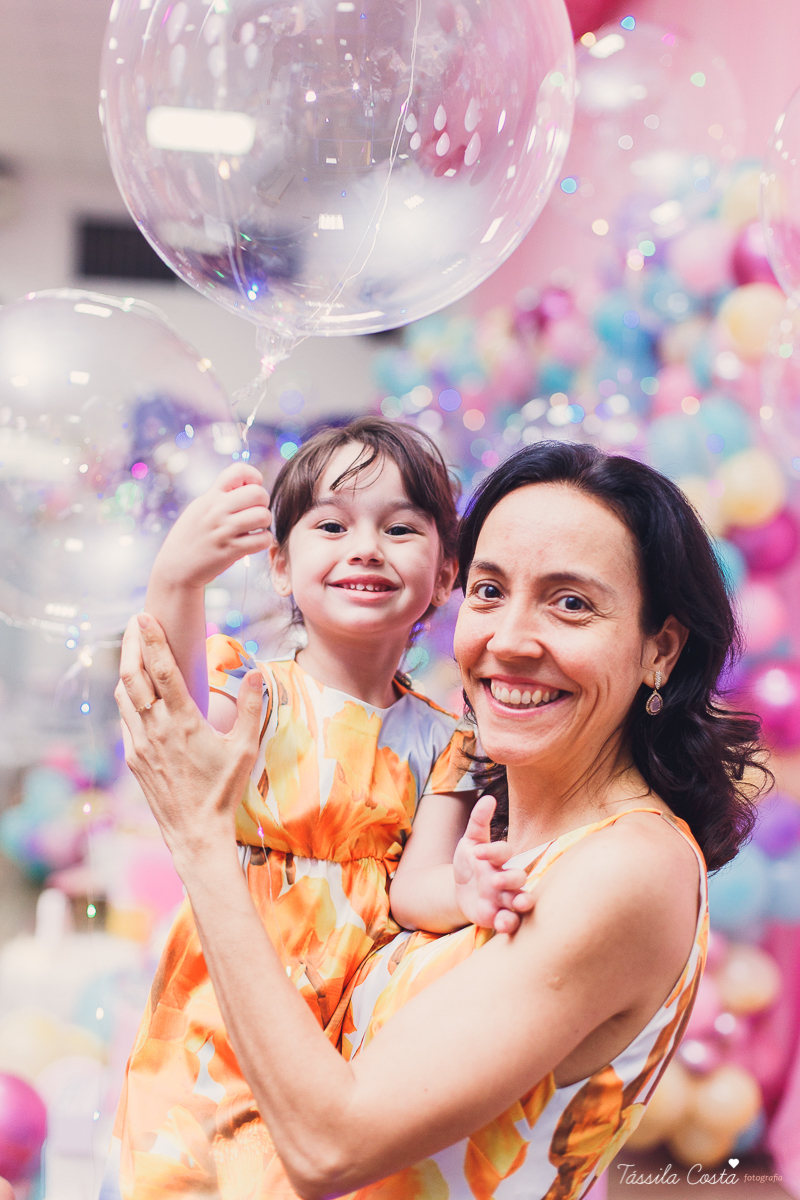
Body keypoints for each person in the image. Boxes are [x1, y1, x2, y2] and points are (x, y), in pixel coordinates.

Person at [114, 441, 766, 1200]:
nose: (510, 641)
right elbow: (176, 710)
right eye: (491, 592)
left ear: (660, 649)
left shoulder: (628, 866)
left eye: (571, 602)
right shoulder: (487, 836)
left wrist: (200, 839)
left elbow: (332, 1145)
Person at [109, 418, 532, 1195]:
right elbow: (173, 727)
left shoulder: (448, 741)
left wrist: (464, 886)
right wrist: (178, 581)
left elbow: (413, 889)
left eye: (401, 528)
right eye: (332, 525)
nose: (365, 546)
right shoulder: (257, 692)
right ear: (279, 565)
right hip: (227, 1000)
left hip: (343, 1033)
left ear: (444, 577)